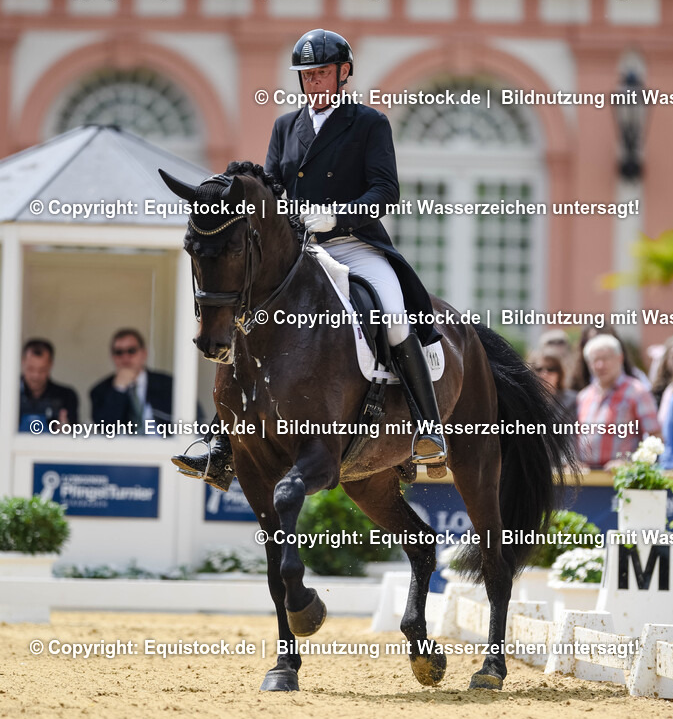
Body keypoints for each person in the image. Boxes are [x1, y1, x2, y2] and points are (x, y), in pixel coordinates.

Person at [174, 27, 446, 490]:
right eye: (308, 75)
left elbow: (385, 190)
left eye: (322, 73)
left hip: (355, 244)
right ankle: (223, 442)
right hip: (300, 251)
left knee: (394, 313)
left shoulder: (368, 123)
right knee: (245, 316)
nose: (314, 82)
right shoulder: (286, 126)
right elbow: (274, 186)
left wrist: (336, 218)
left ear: (343, 74)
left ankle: (427, 427)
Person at [576, 334, 660, 469]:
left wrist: (629, 462)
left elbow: (655, 438)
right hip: (588, 480)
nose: (600, 365)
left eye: (605, 358)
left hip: (622, 478)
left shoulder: (637, 392)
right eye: (595, 360)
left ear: (620, 358)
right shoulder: (584, 396)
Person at [90, 328, 172, 433]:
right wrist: (119, 389)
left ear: (144, 354)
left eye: (131, 351)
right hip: (123, 448)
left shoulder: (168, 384)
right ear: (113, 357)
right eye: (119, 352)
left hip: (165, 446)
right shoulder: (100, 390)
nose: (125, 357)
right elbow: (106, 428)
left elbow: (192, 419)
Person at [19, 338, 78, 432]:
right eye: (30, 369)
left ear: (50, 365)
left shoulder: (66, 396)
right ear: (23, 362)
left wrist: (66, 431)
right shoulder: (6, 393)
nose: (36, 376)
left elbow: (74, 434)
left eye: (42, 370)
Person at [529, 350, 577, 422]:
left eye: (550, 369)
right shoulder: (526, 400)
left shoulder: (573, 400)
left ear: (560, 373)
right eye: (539, 369)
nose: (544, 374)